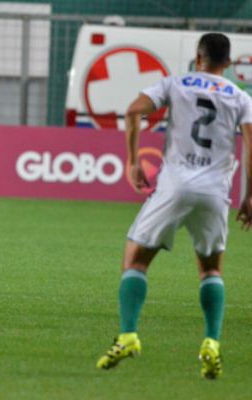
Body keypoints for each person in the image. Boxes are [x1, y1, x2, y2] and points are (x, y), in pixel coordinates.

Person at [95, 33, 252, 379]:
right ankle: (211, 341)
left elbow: (134, 110)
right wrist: (249, 195)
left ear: (198, 58)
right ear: (228, 64)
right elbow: (251, 141)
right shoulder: (241, 97)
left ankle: (128, 335)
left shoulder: (175, 82)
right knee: (211, 270)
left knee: (135, 260)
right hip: (215, 193)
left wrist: (134, 160)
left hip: (175, 185)